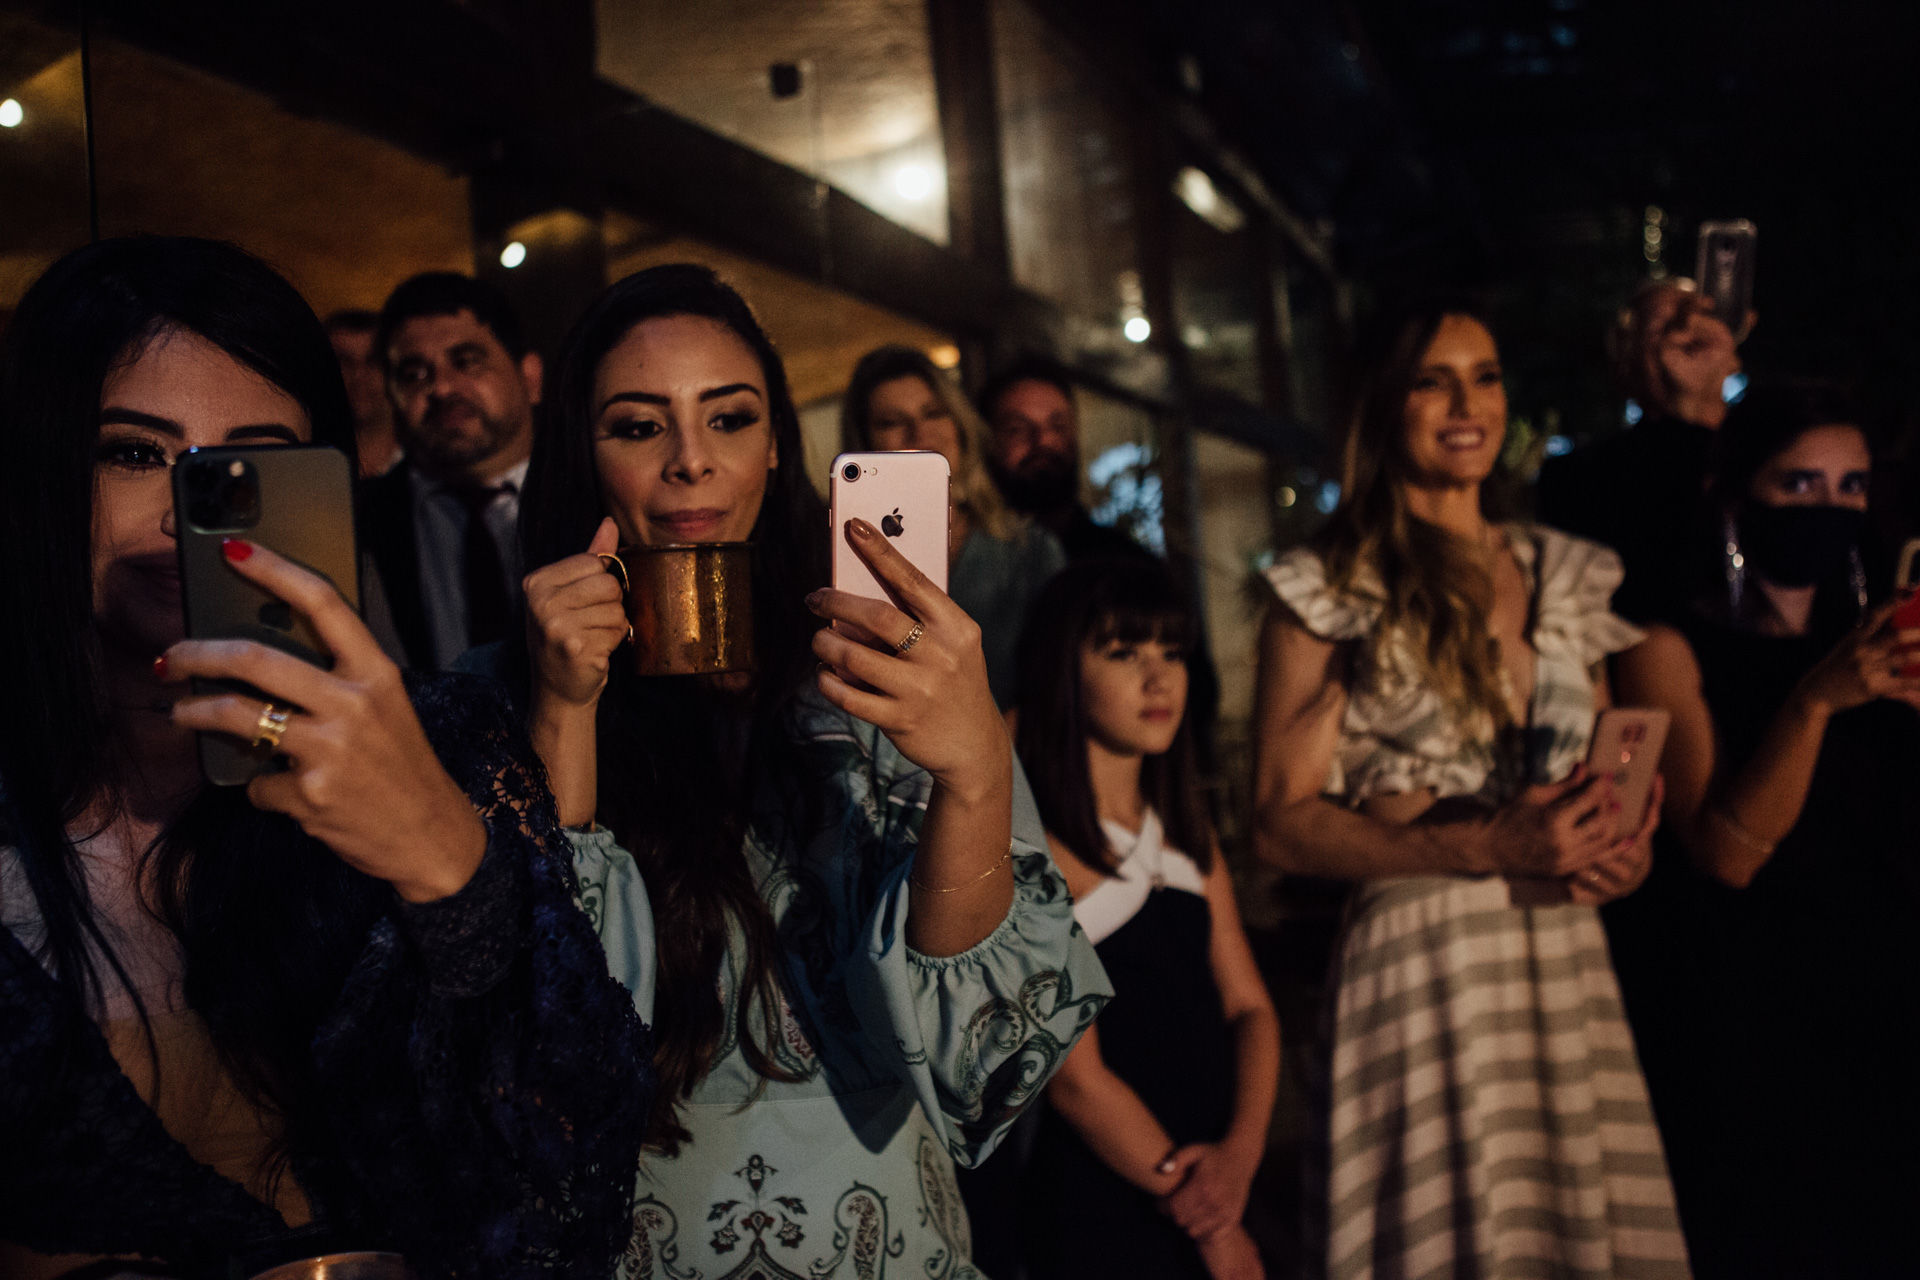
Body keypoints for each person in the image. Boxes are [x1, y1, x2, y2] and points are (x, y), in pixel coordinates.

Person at [0, 237, 652, 1279]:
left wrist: (449, 857)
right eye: (133, 451)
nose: (188, 510)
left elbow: (581, 1189)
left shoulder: (443, 743)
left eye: (248, 464)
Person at [505, 264, 1111, 1279]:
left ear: (779, 443)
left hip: (883, 1238)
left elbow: (983, 1060)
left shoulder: (870, 675)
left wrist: (972, 771)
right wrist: (564, 712)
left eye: (729, 417)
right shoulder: (501, 695)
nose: (691, 461)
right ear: (581, 449)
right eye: (640, 425)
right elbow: (533, 1055)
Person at [1251, 301, 1688, 1278]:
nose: (1467, 402)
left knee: (1565, 1234)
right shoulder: (1331, 584)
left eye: (1485, 375)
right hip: (1424, 961)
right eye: (1432, 378)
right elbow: (1280, 822)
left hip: (1563, 953)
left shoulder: (1564, 569)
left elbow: (1610, 769)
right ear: (1383, 402)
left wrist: (1621, 848)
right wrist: (1484, 845)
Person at [1609, 384, 1920, 1278]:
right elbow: (1726, 853)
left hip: (1888, 996)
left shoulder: (1876, 635)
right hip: (1759, 1016)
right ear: (1736, 493)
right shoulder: (1663, 647)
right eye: (1801, 484)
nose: (1831, 509)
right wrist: (1817, 699)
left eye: (1851, 487)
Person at [1015, 561, 1279, 1280]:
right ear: (1063, 669)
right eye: (1124, 653)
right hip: (1112, 1199)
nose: (1158, 678)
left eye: (1172, 652)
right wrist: (1208, 1218)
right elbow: (1074, 1080)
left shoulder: (1185, 831)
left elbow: (1251, 1007)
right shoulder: (1031, 845)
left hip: (1217, 1179)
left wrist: (1240, 1159)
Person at [840, 344, 1066, 707]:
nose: (919, 433)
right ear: (865, 443)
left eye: (934, 412)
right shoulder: (846, 553)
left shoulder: (1030, 551)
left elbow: (1055, 693)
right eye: (892, 422)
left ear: (959, 425)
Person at [1536, 277, 1746, 623]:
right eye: (1662, 328)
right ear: (1623, 362)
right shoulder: (1578, 478)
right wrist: (1689, 407)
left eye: (1696, 320)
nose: (1683, 336)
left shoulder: (1774, 455)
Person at [361, 272, 543, 669]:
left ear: (530, 378)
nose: (442, 388)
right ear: (391, 394)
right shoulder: (354, 521)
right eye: (413, 374)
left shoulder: (596, 496)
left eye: (466, 362)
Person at [978, 354, 1151, 563]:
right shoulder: (968, 561)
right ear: (986, 439)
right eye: (1017, 429)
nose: (1043, 441)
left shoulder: (1125, 564)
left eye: (1057, 426)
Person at [324, 308, 401, 477]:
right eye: (344, 361)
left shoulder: (430, 463)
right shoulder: (308, 462)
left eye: (373, 360)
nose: (359, 376)